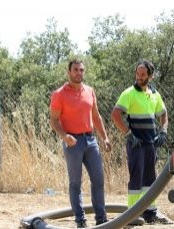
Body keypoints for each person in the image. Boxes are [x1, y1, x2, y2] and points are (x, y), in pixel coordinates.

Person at [49, 59, 112, 228]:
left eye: (81, 70)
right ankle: (80, 220)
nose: (79, 73)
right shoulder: (59, 94)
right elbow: (54, 120)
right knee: (75, 183)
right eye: (75, 70)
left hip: (90, 140)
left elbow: (97, 116)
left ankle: (101, 219)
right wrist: (64, 136)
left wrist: (104, 137)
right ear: (69, 72)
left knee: (98, 179)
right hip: (73, 142)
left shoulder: (90, 91)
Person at [111, 60, 172, 224]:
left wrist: (163, 131)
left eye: (143, 74)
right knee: (136, 178)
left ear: (150, 76)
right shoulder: (129, 93)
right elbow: (116, 115)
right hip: (136, 144)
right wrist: (129, 135)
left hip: (151, 143)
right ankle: (132, 215)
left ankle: (151, 213)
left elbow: (164, 115)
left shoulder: (155, 94)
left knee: (150, 179)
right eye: (137, 74)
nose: (139, 77)